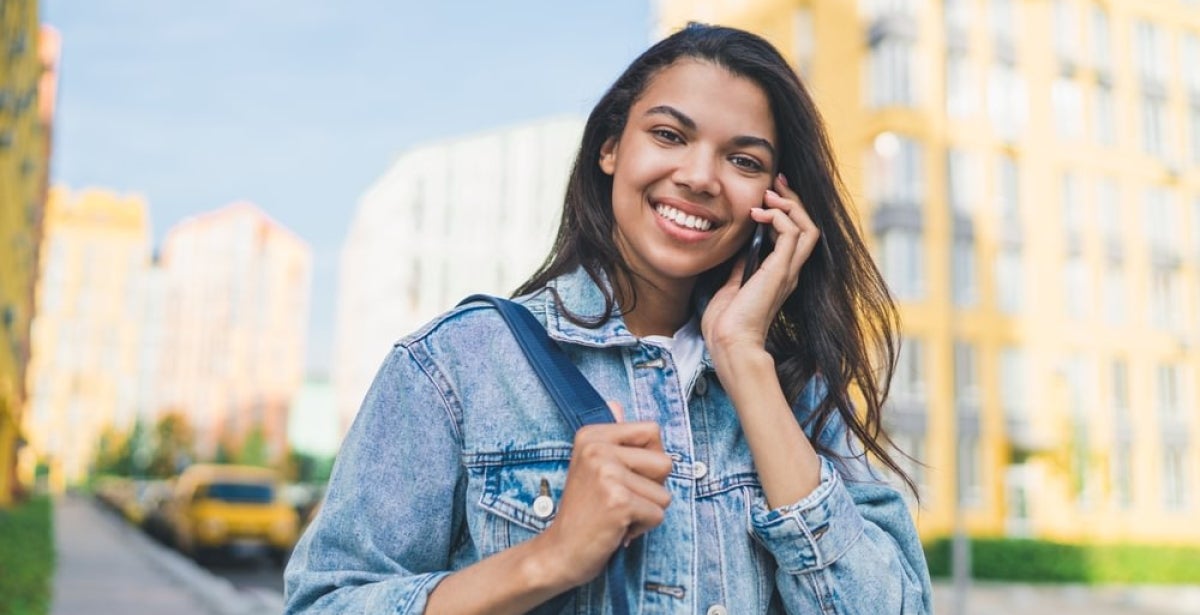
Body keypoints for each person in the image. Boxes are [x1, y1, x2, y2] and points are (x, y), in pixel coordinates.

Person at [285, 23, 932, 614]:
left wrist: (744, 358)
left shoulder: (795, 391)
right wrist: (549, 557)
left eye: (744, 160)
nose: (701, 176)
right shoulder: (457, 366)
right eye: (669, 135)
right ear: (610, 149)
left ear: (774, 201)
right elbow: (324, 602)